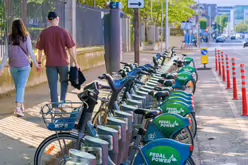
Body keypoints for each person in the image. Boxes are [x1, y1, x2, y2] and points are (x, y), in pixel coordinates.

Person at [36, 11, 79, 109]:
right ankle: (63, 101)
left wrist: (39, 62)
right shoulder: (64, 32)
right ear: (57, 19)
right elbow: (71, 49)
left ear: (48, 20)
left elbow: (39, 50)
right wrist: (76, 63)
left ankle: (55, 106)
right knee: (64, 82)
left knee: (53, 85)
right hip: (63, 63)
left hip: (50, 63)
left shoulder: (44, 33)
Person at [0, 19, 41, 117]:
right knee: (20, 86)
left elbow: (6, 54)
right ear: (22, 26)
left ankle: (20, 105)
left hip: (13, 66)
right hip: (24, 66)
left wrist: (1, 67)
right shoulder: (26, 37)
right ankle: (18, 108)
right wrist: (36, 64)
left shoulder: (9, 38)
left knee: (19, 86)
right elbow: (31, 52)